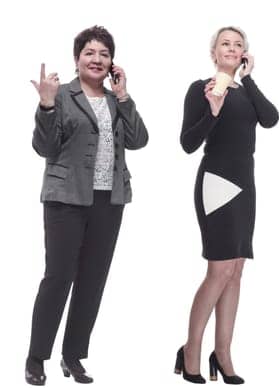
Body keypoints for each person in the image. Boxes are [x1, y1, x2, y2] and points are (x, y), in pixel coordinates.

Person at [26, 25, 149, 386]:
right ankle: (36, 358)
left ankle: (73, 356)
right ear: (77, 58)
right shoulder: (61, 95)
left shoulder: (115, 99)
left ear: (112, 63)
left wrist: (124, 95)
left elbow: (139, 140)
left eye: (104, 54)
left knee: (92, 280)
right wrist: (46, 105)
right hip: (66, 198)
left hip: (108, 200)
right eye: (90, 53)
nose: (97, 59)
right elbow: (45, 148)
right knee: (58, 277)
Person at [177, 25, 279, 385]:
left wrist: (248, 80)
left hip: (245, 185)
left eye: (238, 45)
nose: (232, 49)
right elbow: (188, 143)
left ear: (244, 54)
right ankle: (191, 349)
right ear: (214, 52)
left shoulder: (247, 91)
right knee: (218, 271)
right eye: (226, 44)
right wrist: (214, 110)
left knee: (236, 271)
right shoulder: (201, 89)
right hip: (216, 183)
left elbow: (271, 118)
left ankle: (222, 353)